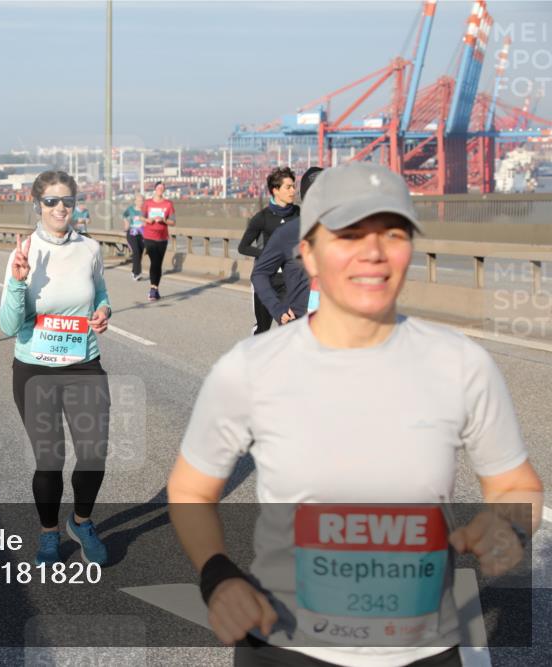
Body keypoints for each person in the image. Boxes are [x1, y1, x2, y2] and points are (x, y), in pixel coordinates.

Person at [168, 162, 543, 667]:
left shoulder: (461, 364)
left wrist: (510, 528)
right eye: (348, 234)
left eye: (392, 232)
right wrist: (218, 576)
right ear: (309, 253)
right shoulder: (250, 368)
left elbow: (515, 484)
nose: (373, 252)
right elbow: (191, 489)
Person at [0, 170, 113, 567]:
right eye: (51, 201)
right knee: (50, 459)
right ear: (37, 205)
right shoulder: (24, 251)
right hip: (35, 369)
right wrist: (18, 282)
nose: (60, 208)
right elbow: (8, 326)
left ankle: (81, 522)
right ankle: (48, 534)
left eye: (67, 201)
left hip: (83, 363)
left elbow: (99, 290)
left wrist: (103, 310)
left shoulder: (90, 249)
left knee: (94, 453)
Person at [250, 167, 323, 327]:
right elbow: (259, 273)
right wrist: (278, 309)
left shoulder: (346, 232)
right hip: (298, 327)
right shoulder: (287, 233)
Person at [239, 167, 299, 334]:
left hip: (289, 280)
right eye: (288, 187)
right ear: (275, 190)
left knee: (291, 325)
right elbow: (243, 247)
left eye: (294, 186)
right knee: (263, 328)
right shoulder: (262, 218)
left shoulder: (299, 214)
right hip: (265, 279)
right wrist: (270, 256)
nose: (293, 191)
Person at [140, 181, 176, 301]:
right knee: (154, 261)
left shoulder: (168, 204)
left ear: (164, 190)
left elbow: (173, 222)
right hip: (149, 237)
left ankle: (155, 289)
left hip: (162, 238)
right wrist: (148, 220)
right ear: (155, 189)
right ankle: (152, 289)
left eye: (162, 188)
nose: (160, 189)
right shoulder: (148, 203)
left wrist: (164, 220)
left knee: (158, 264)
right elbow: (140, 217)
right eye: (158, 187)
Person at [122, 193, 146, 280]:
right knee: (135, 252)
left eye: (142, 201)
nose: (140, 202)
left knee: (139, 253)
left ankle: (133, 271)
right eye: (138, 200)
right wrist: (126, 223)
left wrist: (145, 222)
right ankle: (137, 273)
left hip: (142, 234)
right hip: (132, 234)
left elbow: (149, 220)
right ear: (135, 201)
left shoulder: (145, 211)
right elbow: (124, 215)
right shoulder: (130, 209)